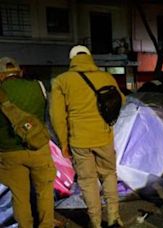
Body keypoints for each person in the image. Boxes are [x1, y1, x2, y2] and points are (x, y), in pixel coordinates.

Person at [50, 45, 125, 228]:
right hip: (104, 137)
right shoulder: (106, 77)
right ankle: (114, 218)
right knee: (109, 175)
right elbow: (121, 100)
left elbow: (57, 116)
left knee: (88, 180)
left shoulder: (62, 80)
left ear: (72, 60)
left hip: (79, 140)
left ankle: (96, 222)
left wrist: (63, 143)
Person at [0, 57, 56, 227]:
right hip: (38, 147)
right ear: (20, 72)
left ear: (1, 76)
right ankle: (46, 225)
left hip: (9, 152)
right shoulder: (38, 86)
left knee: (20, 197)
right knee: (44, 192)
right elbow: (49, 114)